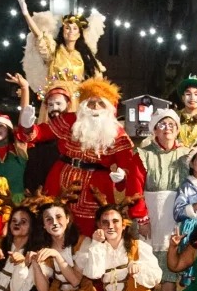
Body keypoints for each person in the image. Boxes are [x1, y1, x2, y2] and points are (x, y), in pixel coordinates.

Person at [14, 74, 147, 237]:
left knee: (92, 232)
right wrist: (28, 126)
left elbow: (128, 168)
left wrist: (121, 178)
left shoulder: (118, 134)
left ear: (109, 107)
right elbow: (41, 133)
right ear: (83, 105)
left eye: (101, 103)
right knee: (54, 223)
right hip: (60, 181)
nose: (95, 107)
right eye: (91, 103)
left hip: (96, 189)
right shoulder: (70, 120)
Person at [138, 109, 191, 291]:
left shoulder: (187, 154)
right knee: (147, 262)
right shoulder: (144, 154)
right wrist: (142, 218)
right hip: (150, 213)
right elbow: (135, 187)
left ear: (178, 129)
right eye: (162, 124)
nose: (167, 128)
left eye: (171, 125)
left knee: (170, 264)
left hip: (175, 214)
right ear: (155, 130)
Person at [16, 0, 104, 102]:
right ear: (62, 31)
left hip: (75, 100)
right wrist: (26, 14)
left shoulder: (83, 56)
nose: (71, 31)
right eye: (67, 28)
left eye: (75, 28)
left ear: (79, 34)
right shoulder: (54, 51)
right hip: (54, 99)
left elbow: (96, 80)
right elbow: (39, 35)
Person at [0, 115, 27, 204]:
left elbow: (25, 130)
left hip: (17, 201)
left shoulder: (18, 149)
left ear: (9, 129)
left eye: (0, 125)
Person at [176, 77, 197, 148]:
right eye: (188, 94)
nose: (192, 98)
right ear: (183, 98)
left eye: (196, 94)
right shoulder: (173, 118)